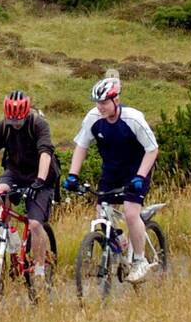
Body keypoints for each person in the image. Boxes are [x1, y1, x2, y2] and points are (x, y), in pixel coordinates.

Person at [63, 77, 161, 283]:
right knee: (101, 213)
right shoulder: (93, 118)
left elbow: (152, 149)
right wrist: (73, 175)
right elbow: (81, 146)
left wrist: (140, 176)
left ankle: (140, 260)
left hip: (137, 170)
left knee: (130, 213)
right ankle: (122, 242)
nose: (100, 107)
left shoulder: (133, 119)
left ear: (116, 100)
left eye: (105, 103)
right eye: (98, 103)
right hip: (111, 171)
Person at [0, 91, 60, 292]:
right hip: (15, 172)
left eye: (19, 119)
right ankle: (10, 239)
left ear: (26, 113)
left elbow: (45, 154)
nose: (15, 123)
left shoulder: (38, 125)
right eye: (11, 119)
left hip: (40, 177)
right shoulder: (4, 127)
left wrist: (39, 181)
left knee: (35, 224)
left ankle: (40, 272)